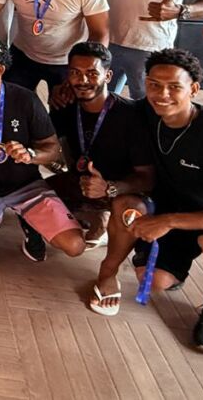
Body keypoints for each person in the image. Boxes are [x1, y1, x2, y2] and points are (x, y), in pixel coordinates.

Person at [92, 49, 203, 355]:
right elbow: (103, 105)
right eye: (154, 85)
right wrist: (65, 94)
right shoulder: (145, 112)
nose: (162, 95)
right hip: (172, 209)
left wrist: (169, 221)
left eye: (174, 87)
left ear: (194, 89)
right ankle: (140, 271)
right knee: (153, 280)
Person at [0, 36, 85, 266]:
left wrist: (30, 155)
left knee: (75, 245)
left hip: (27, 186)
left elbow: (52, 150)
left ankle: (29, 219)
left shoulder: (25, 99)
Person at [47, 42, 154, 254]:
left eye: (92, 73)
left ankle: (108, 224)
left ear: (108, 76)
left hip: (121, 190)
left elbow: (147, 179)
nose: (83, 80)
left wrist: (109, 188)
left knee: (130, 207)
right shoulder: (64, 106)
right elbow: (46, 143)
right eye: (75, 73)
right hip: (82, 183)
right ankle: (92, 215)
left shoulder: (131, 116)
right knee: (35, 195)